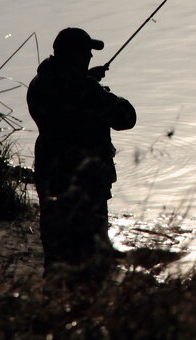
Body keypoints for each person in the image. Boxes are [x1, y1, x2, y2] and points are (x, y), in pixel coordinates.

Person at [27, 27, 136, 279]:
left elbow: (66, 98)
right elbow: (126, 118)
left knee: (55, 251)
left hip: (49, 176)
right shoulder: (85, 90)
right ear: (75, 55)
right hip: (85, 183)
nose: (90, 57)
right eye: (86, 52)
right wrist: (103, 92)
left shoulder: (40, 83)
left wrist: (86, 79)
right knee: (90, 258)